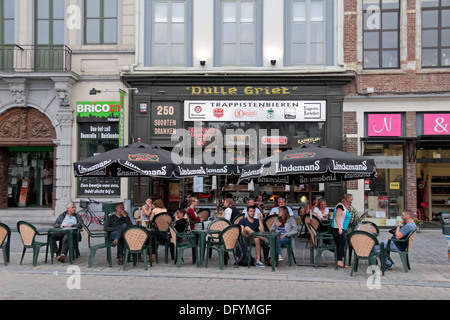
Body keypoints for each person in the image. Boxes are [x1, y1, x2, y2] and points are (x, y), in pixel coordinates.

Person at [332, 194, 353, 268]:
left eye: (350, 202)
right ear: (344, 199)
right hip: (338, 228)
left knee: (342, 243)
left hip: (342, 228)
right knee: (341, 243)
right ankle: (339, 260)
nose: (349, 203)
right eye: (348, 201)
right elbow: (337, 217)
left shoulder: (344, 207)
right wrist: (340, 228)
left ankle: (340, 260)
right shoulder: (340, 206)